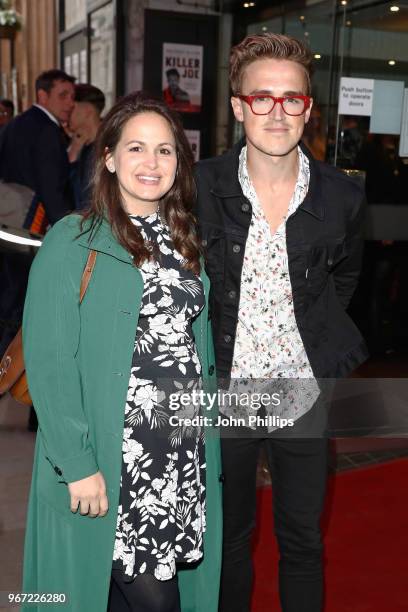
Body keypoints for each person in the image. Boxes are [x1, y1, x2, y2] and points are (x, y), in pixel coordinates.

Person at [21, 93, 222, 612]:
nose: (151, 163)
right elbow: (50, 360)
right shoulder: (73, 240)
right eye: (136, 148)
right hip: (114, 461)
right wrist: (77, 462)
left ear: (180, 163)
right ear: (108, 156)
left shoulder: (186, 241)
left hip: (174, 459)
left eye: (165, 151)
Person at [194, 33, 368, 612]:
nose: (276, 112)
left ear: (307, 109)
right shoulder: (200, 187)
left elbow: (343, 284)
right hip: (226, 394)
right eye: (261, 97)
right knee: (230, 540)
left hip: (300, 392)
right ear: (240, 105)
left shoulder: (342, 197)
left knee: (302, 542)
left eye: (291, 99)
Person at [0, 69, 75, 232]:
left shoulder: (14, 123)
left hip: (8, 220)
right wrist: (66, 232)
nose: (70, 103)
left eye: (72, 97)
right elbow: (51, 188)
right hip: (34, 223)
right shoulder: (48, 130)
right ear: (43, 96)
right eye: (63, 96)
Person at [68, 83, 105, 210]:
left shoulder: (106, 147)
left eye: (72, 107)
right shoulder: (80, 145)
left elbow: (83, 198)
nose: (67, 109)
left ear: (87, 111)